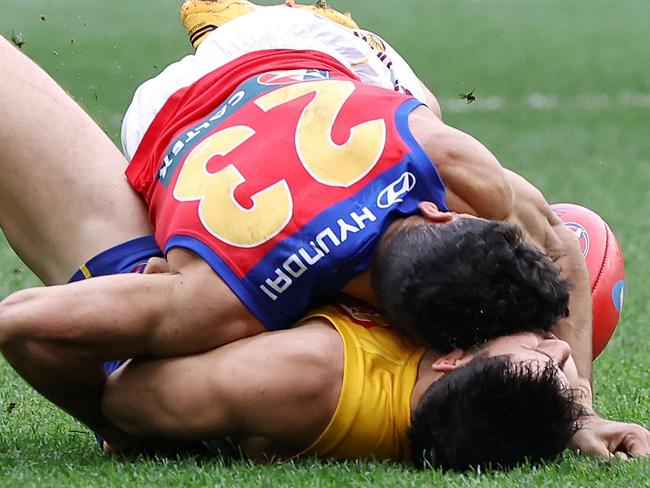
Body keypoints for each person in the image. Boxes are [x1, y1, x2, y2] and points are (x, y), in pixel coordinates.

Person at [0, 2, 597, 454]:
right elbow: (558, 241)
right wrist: (114, 428)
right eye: (553, 345)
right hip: (183, 108)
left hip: (287, 74)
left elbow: (552, 238)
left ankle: (229, 22)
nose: (557, 346)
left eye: (548, 353)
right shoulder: (237, 302)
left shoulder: (435, 157)